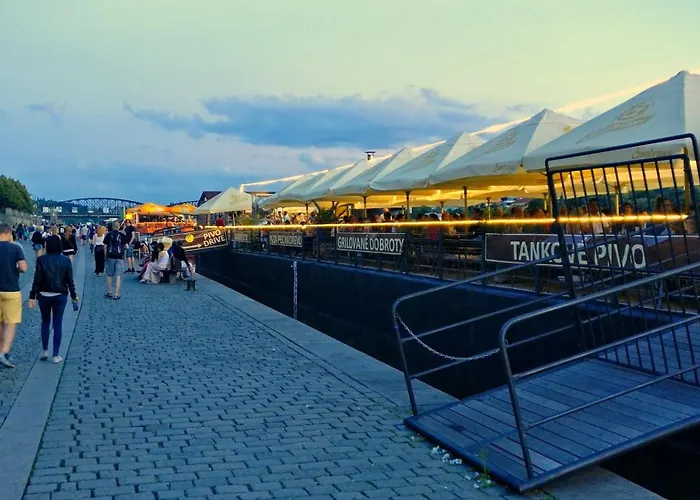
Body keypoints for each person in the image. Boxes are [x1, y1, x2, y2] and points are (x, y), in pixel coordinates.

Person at [28, 236, 78, 364]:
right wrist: (74, 297)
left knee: (45, 322)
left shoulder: (41, 260)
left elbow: (37, 279)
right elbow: (70, 281)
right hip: (60, 295)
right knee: (57, 324)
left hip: (44, 295)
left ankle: (45, 350)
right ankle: (55, 354)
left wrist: (32, 296)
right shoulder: (66, 260)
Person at [0, 223, 28, 368]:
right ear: (9, 233)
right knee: (10, 323)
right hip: (11, 290)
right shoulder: (15, 248)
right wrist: (16, 268)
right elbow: (23, 268)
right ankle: (4, 352)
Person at [103, 221, 125, 300]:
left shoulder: (108, 235)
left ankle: (109, 292)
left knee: (109, 275)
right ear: (119, 227)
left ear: (112, 227)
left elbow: (105, 247)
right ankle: (116, 294)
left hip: (110, 256)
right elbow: (126, 246)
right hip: (119, 257)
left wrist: (105, 256)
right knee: (118, 276)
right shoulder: (122, 235)